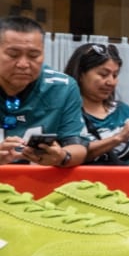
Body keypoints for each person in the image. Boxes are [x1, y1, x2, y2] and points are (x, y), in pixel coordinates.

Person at [0, 16, 85, 168]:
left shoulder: (63, 87)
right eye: (13, 55)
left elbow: (77, 146)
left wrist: (61, 157)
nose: (23, 64)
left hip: (39, 178)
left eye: (34, 55)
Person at [62, 43, 129, 166]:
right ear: (81, 74)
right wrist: (118, 138)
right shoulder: (65, 112)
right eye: (103, 74)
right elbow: (65, 156)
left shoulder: (124, 111)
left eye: (115, 75)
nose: (111, 82)